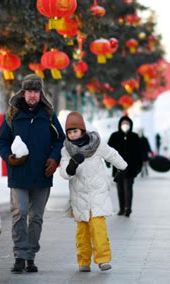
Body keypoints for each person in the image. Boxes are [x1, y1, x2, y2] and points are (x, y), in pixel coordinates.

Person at [0, 74, 65, 273]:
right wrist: (9, 157)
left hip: (43, 174)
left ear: (40, 93)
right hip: (19, 174)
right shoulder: (13, 114)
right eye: (29, 91)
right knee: (20, 212)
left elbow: (60, 139)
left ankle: (30, 256)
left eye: (36, 91)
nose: (32, 95)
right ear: (23, 92)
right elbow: (1, 141)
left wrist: (54, 158)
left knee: (36, 217)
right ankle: (19, 255)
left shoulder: (48, 114)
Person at [59, 112, 127, 273]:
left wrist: (122, 167)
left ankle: (103, 260)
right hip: (79, 196)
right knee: (82, 233)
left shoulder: (97, 145)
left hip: (98, 194)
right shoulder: (66, 150)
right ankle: (83, 261)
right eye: (69, 132)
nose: (72, 135)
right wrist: (72, 165)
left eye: (75, 131)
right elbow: (64, 173)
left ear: (82, 130)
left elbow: (112, 154)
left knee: (99, 229)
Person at [107, 116, 142, 217]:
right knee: (120, 189)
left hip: (130, 168)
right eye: (123, 123)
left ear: (130, 125)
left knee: (128, 188)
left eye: (127, 123)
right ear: (120, 125)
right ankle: (122, 208)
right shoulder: (114, 136)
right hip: (118, 168)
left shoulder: (135, 137)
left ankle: (128, 208)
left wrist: (139, 165)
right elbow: (108, 150)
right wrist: (108, 162)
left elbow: (139, 152)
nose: (125, 125)